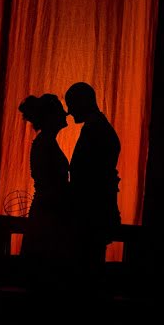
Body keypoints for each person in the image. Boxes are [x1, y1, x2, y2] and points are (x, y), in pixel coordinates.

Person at [64, 82, 121, 265]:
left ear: (83, 102)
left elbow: (89, 177)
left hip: (90, 215)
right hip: (92, 213)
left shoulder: (95, 130)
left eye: (71, 104)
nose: (70, 111)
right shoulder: (98, 127)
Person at [18, 94, 72, 263]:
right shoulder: (45, 144)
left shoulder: (45, 142)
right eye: (60, 111)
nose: (65, 114)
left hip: (47, 212)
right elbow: (50, 184)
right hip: (48, 216)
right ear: (50, 117)